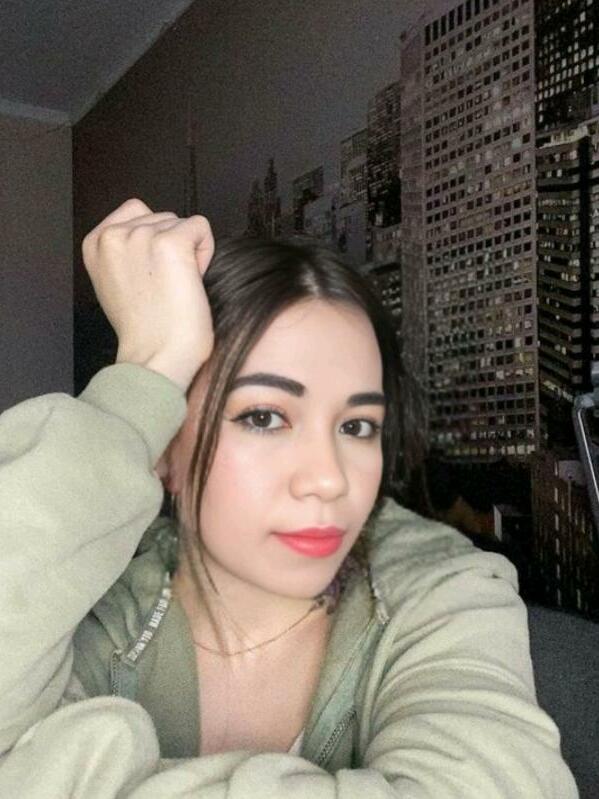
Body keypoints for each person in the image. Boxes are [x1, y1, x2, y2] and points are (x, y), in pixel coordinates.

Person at [0, 198, 578, 797]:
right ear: (164, 445)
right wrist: (145, 375)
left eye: (357, 426)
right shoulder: (89, 610)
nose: (329, 479)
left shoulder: (443, 592)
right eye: (265, 416)